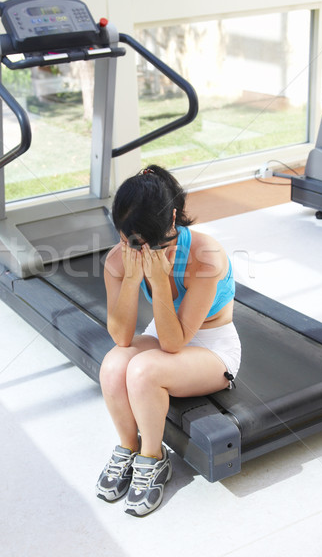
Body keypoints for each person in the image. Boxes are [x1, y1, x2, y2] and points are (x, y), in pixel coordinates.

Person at [95, 164, 241, 517]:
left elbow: (176, 344)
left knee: (143, 371)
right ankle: (129, 447)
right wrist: (131, 279)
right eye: (129, 241)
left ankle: (153, 457)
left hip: (211, 346)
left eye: (151, 243)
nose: (139, 251)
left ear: (172, 219)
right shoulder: (119, 259)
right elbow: (121, 336)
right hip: (162, 333)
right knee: (115, 365)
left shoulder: (206, 257)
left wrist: (159, 282)